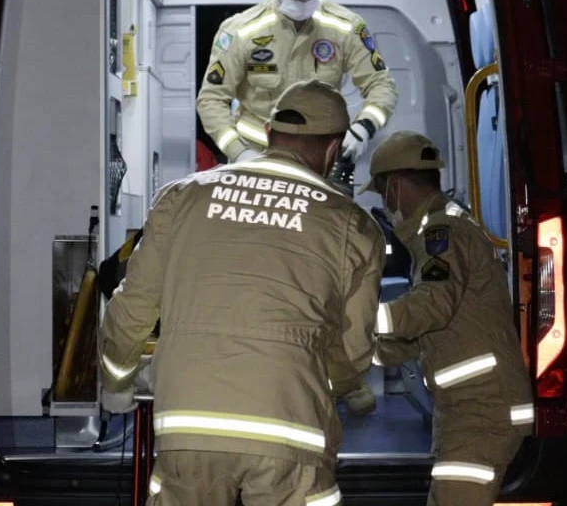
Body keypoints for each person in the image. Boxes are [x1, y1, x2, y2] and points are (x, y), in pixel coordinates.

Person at [99, 80, 387, 506]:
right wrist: (323, 385)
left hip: (188, 425)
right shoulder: (353, 225)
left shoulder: (182, 197)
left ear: (268, 135)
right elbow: (353, 350)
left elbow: (130, 309)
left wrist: (117, 384)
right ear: (333, 150)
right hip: (292, 429)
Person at [360, 131, 534, 506]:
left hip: (480, 411)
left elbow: (433, 305)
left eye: (381, 194)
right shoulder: (447, 228)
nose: (386, 206)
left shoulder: (442, 232)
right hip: (471, 409)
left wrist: (358, 319)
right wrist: (364, 351)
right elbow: (432, 329)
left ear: (393, 188)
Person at [196, 0, 398, 166]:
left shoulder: (345, 27)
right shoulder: (241, 32)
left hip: (322, 160)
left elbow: (381, 84)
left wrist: (365, 126)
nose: (304, 0)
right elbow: (211, 100)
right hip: (257, 158)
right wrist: (239, 152)